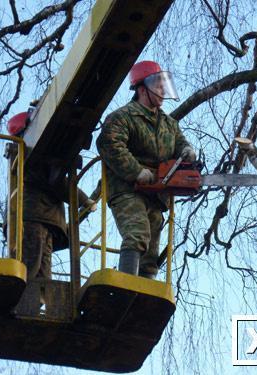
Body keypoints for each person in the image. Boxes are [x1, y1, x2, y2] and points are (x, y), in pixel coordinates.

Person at [96, 60, 196, 279]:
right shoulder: (122, 117)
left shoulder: (169, 123)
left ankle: (145, 292)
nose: (162, 91)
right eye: (158, 87)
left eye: (164, 86)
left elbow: (179, 142)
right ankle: (126, 284)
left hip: (157, 193)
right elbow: (109, 144)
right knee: (137, 233)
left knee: (151, 251)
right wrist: (136, 171)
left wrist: (187, 150)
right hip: (127, 189)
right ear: (142, 89)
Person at [6, 113, 96, 298]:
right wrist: (84, 200)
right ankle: (17, 303)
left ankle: (36, 306)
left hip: (43, 220)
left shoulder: (30, 155)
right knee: (28, 267)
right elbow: (54, 182)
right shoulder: (26, 154)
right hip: (32, 218)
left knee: (43, 275)